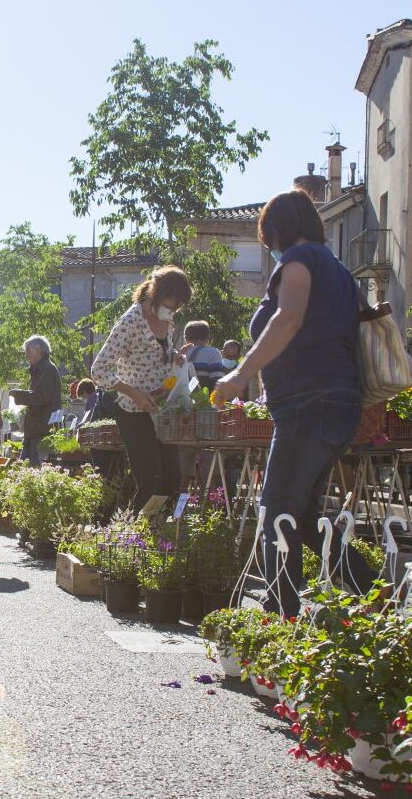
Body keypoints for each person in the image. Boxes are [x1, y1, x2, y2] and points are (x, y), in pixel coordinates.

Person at [214, 189, 377, 616]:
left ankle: (280, 611)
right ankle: (375, 590)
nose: (266, 242)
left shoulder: (299, 263)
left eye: (266, 232)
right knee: (302, 515)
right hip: (338, 401)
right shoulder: (340, 271)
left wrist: (239, 375)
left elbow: (289, 319)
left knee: (276, 512)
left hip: (309, 402)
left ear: (276, 229)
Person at [89, 266, 193, 510]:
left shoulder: (168, 322)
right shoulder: (129, 323)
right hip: (133, 412)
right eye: (172, 301)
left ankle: (161, 537)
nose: (175, 308)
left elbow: (157, 356)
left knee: (171, 481)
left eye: (179, 304)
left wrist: (174, 356)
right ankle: (135, 539)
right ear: (156, 292)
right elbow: (99, 370)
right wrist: (133, 393)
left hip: (163, 409)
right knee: (151, 483)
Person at [10, 335, 62, 466]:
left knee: (36, 468)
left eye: (28, 351)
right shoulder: (41, 368)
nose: (26, 355)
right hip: (37, 428)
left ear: (39, 349)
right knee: (28, 468)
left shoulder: (47, 368)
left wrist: (19, 394)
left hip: (42, 429)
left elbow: (42, 397)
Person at [184, 321, 227, 391]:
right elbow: (217, 380)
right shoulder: (212, 352)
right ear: (207, 337)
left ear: (186, 337)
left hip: (180, 399)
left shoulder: (179, 355)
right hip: (204, 399)